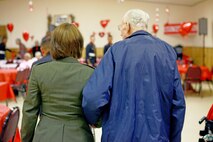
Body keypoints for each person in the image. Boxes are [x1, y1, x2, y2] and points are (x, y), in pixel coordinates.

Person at [82, 9, 186, 142]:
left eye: (121, 27)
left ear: (127, 25)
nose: (120, 32)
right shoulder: (167, 51)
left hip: (118, 136)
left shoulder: (115, 51)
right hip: (158, 136)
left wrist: (94, 120)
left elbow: (94, 96)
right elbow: (178, 103)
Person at [21, 23, 94, 142]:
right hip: (79, 136)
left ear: (53, 45)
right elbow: (95, 112)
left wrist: (26, 139)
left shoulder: (39, 71)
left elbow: (29, 112)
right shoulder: (90, 73)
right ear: (79, 45)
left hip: (45, 135)